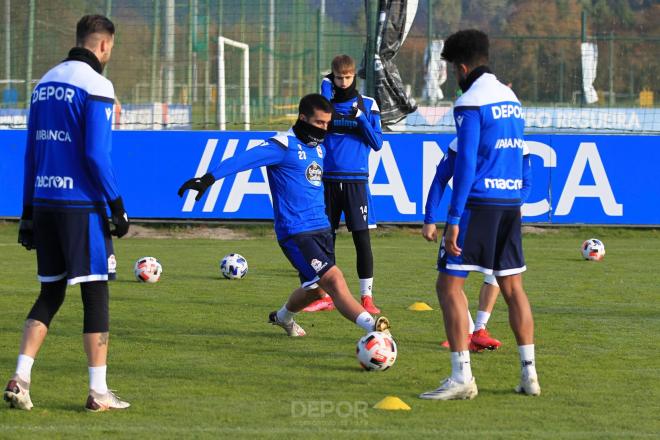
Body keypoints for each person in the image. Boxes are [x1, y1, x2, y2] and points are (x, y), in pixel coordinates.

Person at [177, 93, 390, 341]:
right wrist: (209, 178)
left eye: (326, 124)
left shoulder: (318, 148)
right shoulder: (282, 146)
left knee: (316, 291)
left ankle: (283, 317)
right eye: (319, 123)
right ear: (303, 118)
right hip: (296, 232)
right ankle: (374, 328)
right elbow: (242, 160)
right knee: (334, 279)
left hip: (321, 229)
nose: (324, 129)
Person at [4, 15, 130, 412]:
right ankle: (98, 392)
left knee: (51, 291)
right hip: (80, 208)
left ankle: (20, 378)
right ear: (104, 46)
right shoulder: (97, 85)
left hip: (44, 203)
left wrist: (26, 213)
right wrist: (117, 205)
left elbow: (31, 155)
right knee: (96, 293)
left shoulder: (43, 84)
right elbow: (95, 153)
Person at [418, 29, 540, 400]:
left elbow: (467, 161)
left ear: (462, 67)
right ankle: (529, 375)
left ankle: (461, 378)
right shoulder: (511, 98)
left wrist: (452, 219)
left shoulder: (470, 101)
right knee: (513, 288)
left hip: (478, 205)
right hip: (509, 206)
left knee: (448, 286)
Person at [423, 137, 531, 352]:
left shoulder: (517, 145)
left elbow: (526, 183)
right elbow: (440, 178)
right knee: (451, 281)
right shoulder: (462, 141)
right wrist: (429, 218)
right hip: (469, 216)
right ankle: (468, 332)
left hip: (495, 217)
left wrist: (516, 203)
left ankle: (479, 331)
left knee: (498, 278)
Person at [304, 54, 383, 314]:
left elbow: (377, 143)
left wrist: (360, 118)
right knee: (326, 239)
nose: (344, 81)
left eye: (348, 77)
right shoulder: (325, 106)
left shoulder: (368, 104)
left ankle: (366, 297)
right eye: (338, 77)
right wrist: (326, 90)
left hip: (356, 181)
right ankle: (325, 295)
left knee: (362, 239)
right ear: (333, 77)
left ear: (354, 76)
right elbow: (313, 130)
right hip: (327, 180)